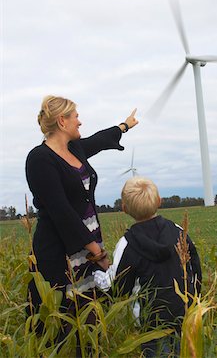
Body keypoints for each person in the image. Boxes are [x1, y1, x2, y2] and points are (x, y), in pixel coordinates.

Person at [25, 95, 138, 351]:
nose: (80, 121)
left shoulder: (75, 149)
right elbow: (61, 211)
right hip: (60, 250)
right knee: (61, 319)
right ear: (62, 121)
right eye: (76, 116)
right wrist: (97, 252)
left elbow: (98, 140)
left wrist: (124, 126)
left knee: (89, 315)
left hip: (87, 244)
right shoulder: (39, 159)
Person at [94, 176, 202, 358]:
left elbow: (117, 286)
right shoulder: (178, 231)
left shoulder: (127, 243)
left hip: (151, 324)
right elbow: (195, 269)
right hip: (185, 315)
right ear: (159, 202)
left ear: (124, 208)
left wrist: (97, 274)